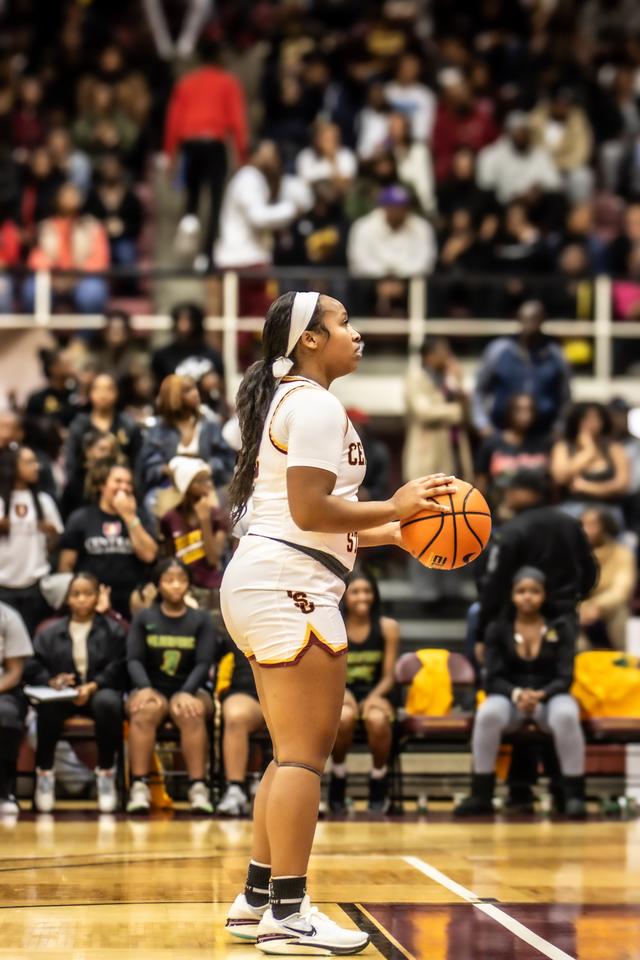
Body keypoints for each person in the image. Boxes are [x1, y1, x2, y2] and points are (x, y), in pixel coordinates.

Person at [220, 289, 456, 952]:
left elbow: (315, 518)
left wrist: (395, 533)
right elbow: (311, 511)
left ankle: (258, 898)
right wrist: (399, 502)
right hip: (288, 581)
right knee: (302, 757)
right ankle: (290, 913)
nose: (356, 333)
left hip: (269, 576)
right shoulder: (316, 403)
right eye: (343, 322)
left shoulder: (294, 400)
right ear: (310, 341)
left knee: (286, 754)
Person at [455, 567, 586, 819]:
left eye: (534, 591)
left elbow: (565, 677)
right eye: (522, 591)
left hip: (550, 696)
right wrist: (517, 694)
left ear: (544, 595)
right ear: (512, 595)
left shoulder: (561, 627)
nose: (528, 597)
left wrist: (540, 695)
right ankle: (481, 794)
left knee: (567, 715)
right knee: (488, 715)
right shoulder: (497, 628)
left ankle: (573, 795)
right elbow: (492, 677)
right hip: (508, 696)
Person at [24, 572, 126, 814]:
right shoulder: (49, 631)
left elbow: (119, 665)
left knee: (109, 703)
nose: (81, 599)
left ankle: (106, 774)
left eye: (87, 594)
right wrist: (53, 680)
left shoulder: (112, 630)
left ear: (97, 597)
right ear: (67, 599)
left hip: (97, 691)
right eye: (76, 594)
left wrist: (94, 685)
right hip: (63, 695)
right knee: (47, 706)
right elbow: (32, 665)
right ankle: (45, 775)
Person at [125, 558, 217, 815]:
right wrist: (143, 688)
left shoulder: (201, 619)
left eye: (181, 579)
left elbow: (204, 662)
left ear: (189, 584)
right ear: (158, 584)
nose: (175, 585)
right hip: (152, 688)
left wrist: (186, 692)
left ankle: (198, 788)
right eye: (168, 580)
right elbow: (133, 659)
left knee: (191, 711)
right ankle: (139, 786)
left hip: (191, 688)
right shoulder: (144, 617)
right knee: (143, 711)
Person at [476, 470, 598, 651]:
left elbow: (494, 584)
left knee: (519, 677)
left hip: (519, 621)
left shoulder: (512, 530)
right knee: (562, 675)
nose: (507, 494)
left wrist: (482, 632)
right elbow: (590, 571)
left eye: (512, 489)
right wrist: (574, 600)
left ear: (532, 493)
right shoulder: (570, 523)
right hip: (564, 617)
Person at [164, 36, 248, 267]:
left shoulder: (186, 82)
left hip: (190, 144)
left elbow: (173, 122)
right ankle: (206, 255)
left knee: (192, 195)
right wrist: (242, 156)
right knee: (216, 200)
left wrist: (171, 157)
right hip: (214, 144)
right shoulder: (227, 82)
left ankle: (189, 221)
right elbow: (238, 122)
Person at [329, 569, 399, 814]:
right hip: (342, 691)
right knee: (344, 718)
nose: (362, 597)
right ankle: (338, 778)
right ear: (345, 596)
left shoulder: (388, 627)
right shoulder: (334, 625)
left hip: (377, 691)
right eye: (356, 592)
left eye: (367, 591)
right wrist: (342, 693)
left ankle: (378, 780)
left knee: (377, 720)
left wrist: (372, 698)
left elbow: (389, 675)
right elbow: (329, 671)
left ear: (375, 595)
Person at [58, 462, 158, 619]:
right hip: (91, 600)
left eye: (128, 483)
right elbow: (66, 565)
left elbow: (149, 555)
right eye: (118, 481)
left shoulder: (140, 517)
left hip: (131, 601)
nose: (124, 487)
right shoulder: (81, 518)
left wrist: (129, 516)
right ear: (102, 486)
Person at [471, 300, 571, 437]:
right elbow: (479, 391)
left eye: (535, 319)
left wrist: (560, 427)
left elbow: (565, 397)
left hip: (543, 433)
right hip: (502, 431)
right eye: (525, 319)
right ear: (518, 319)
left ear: (543, 321)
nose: (530, 324)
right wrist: (482, 424)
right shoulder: (498, 350)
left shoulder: (555, 354)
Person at [139, 374, 235, 507]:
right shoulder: (158, 430)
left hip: (207, 485)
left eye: (195, 388)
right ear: (172, 396)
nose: (195, 393)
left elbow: (225, 458)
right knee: (152, 501)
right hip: (170, 486)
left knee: (225, 499)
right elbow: (148, 466)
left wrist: (207, 469)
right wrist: (170, 471)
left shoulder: (209, 424)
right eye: (187, 390)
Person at [0, 446, 63, 634]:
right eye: (28, 462)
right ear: (12, 467)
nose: (36, 467)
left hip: (35, 585)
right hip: (3, 585)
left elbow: (56, 544)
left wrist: (52, 535)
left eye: (35, 461)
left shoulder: (44, 501)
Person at [24, 183, 110, 315]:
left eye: (74, 194)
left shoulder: (93, 226)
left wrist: (75, 276)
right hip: (53, 277)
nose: (70, 198)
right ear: (56, 199)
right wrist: (55, 275)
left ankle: (84, 336)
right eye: (65, 194)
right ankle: (40, 334)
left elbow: (100, 260)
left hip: (83, 277)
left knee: (92, 291)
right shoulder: (44, 227)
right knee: (32, 289)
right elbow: (36, 259)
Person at [159, 456, 228, 611]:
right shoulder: (170, 518)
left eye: (208, 480)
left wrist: (204, 521)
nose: (208, 485)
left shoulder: (216, 516)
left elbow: (214, 558)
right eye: (201, 481)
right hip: (183, 589)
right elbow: (169, 558)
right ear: (187, 485)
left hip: (211, 589)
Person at [403, 337, 473, 483]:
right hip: (427, 455)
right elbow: (424, 413)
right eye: (443, 350)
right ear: (429, 355)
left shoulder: (449, 379)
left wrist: (459, 386)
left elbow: (467, 417)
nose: (448, 355)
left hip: (454, 450)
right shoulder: (417, 377)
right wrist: (457, 411)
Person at [475, 393, 550, 517]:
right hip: (500, 512)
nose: (524, 415)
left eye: (529, 409)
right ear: (509, 411)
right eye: (519, 409)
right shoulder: (492, 443)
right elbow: (480, 484)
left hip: (538, 512)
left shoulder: (544, 444)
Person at [550, 402, 630, 519]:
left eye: (596, 418)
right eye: (585, 419)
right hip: (572, 507)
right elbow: (560, 477)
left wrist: (585, 486)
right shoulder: (563, 447)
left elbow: (622, 485)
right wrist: (588, 451)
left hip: (607, 509)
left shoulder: (614, 448)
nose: (591, 423)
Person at [65, 373, 142, 487]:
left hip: (122, 486)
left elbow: (137, 464)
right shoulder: (79, 425)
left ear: (116, 393)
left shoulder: (129, 425)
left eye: (108, 389)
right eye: (98, 389)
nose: (103, 394)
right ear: (90, 393)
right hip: (85, 487)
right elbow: (71, 463)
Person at [216, 642, 264, 817]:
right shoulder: (237, 624)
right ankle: (235, 790)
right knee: (236, 716)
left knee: (302, 712)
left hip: (291, 692)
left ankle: (304, 789)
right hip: (249, 695)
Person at [579, 508, 636, 651]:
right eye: (582, 524)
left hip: (606, 605)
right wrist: (580, 608)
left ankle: (623, 660)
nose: (586, 530)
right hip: (578, 607)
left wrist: (598, 606)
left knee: (620, 612)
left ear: (605, 526)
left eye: (592, 524)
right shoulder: (571, 553)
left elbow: (621, 589)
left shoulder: (622, 553)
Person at [476, 111, 562, 206]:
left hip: (534, 205)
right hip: (503, 206)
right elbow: (485, 185)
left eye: (524, 131)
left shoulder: (540, 155)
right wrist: (513, 197)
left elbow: (554, 183)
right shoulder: (491, 155)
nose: (521, 135)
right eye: (517, 131)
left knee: (556, 200)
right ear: (507, 132)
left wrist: (539, 188)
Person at [0, 602, 33, 815]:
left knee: (6, 714)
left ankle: (4, 791)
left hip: (1, 690)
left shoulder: (7, 616)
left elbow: (14, 672)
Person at [84, 154, 143, 267]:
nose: (110, 170)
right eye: (107, 167)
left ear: (120, 170)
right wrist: (102, 227)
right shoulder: (93, 195)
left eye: (113, 167)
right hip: (97, 240)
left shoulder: (130, 197)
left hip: (124, 239)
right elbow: (86, 218)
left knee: (125, 254)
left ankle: (129, 284)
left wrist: (122, 227)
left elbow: (137, 224)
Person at [151, 302, 224, 385]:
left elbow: (221, 385)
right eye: (179, 319)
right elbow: (157, 387)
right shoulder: (162, 355)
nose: (183, 325)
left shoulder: (213, 355)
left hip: (205, 397)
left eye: (188, 320)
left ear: (197, 323)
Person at [295, 120, 357, 192]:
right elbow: (305, 184)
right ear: (316, 139)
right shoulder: (305, 156)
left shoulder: (347, 155)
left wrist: (331, 159)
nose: (328, 142)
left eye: (332, 138)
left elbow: (345, 185)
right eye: (325, 138)